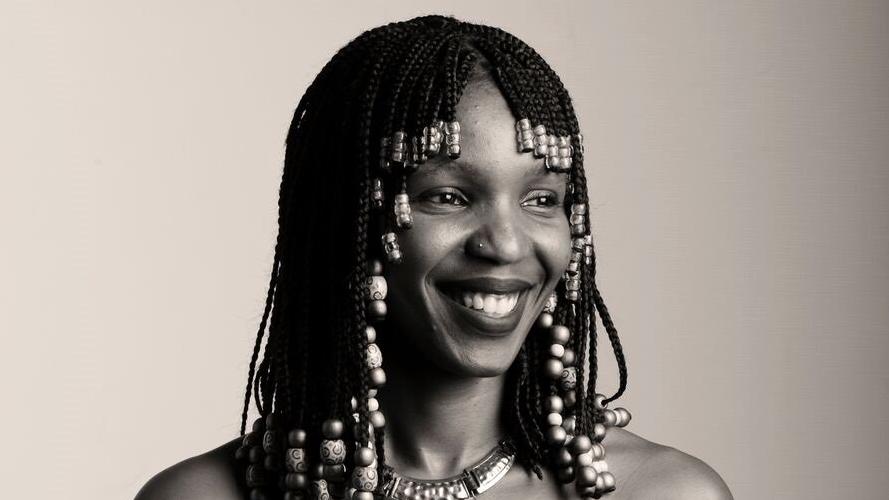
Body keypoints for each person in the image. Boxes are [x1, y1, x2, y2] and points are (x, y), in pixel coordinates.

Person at [136, 15, 732, 500]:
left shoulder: (665, 493)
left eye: (542, 199)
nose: (506, 244)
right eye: (447, 196)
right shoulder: (199, 496)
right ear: (348, 222)